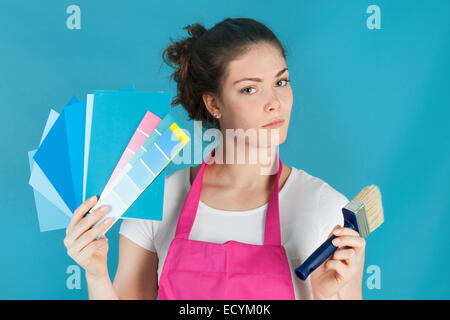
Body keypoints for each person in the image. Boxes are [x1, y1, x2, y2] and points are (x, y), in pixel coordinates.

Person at [63, 17, 366, 300]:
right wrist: (96, 274)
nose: (274, 103)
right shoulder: (155, 202)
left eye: (281, 82)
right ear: (214, 104)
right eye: (250, 89)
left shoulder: (330, 211)